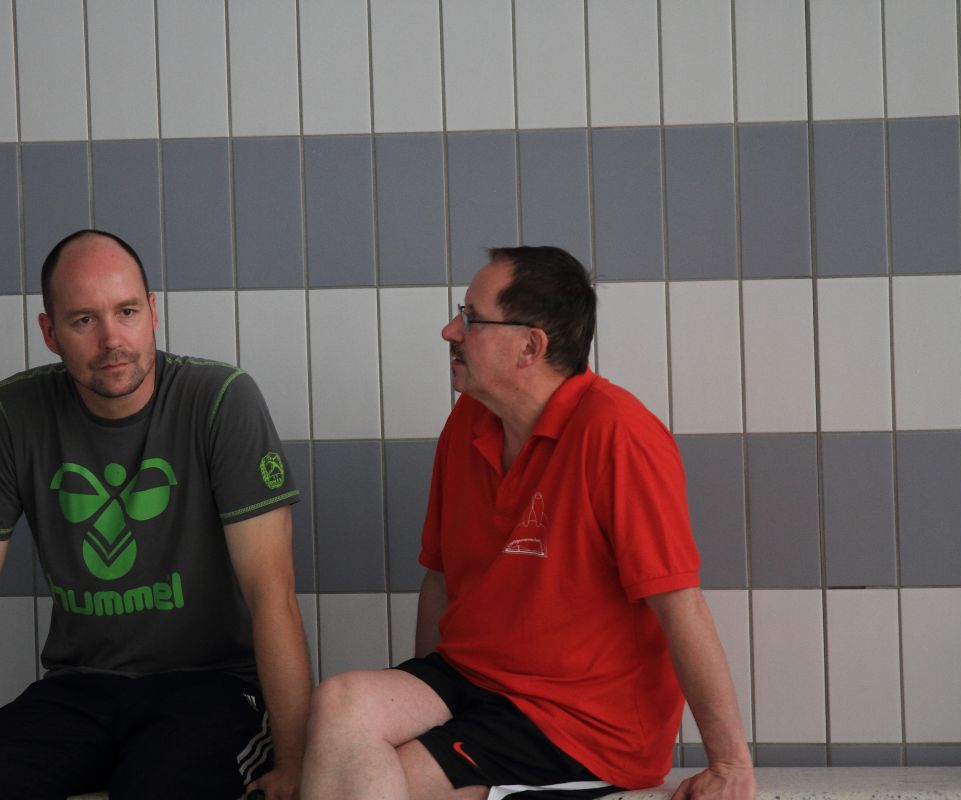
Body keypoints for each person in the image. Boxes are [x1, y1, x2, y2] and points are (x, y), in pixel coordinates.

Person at [0, 230, 312, 800]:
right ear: (50, 333)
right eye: (83, 320)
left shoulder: (220, 399)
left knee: (162, 787)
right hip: (82, 686)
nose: (112, 339)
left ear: (153, 312)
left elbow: (272, 593)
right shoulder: (12, 413)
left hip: (213, 686)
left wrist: (297, 760)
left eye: (127, 312)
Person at [301, 246, 756, 800]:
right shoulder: (469, 422)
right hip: (471, 678)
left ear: (530, 346)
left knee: (391, 779)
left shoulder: (617, 433)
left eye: (470, 318)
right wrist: (422, 706)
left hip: (576, 721)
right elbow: (440, 579)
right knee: (340, 702)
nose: (450, 331)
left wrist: (729, 764)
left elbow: (679, 603)